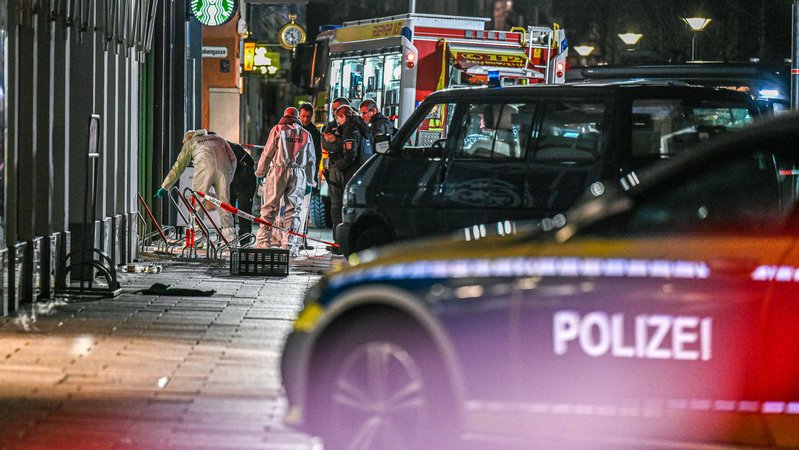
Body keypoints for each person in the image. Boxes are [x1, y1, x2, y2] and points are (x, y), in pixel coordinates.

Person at [156, 129, 236, 243]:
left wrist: (165, 186)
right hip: (224, 170)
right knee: (224, 203)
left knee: (197, 202)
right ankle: (229, 237)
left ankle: (198, 238)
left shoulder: (191, 142)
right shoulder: (219, 138)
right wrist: (229, 176)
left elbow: (178, 166)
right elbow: (233, 158)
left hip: (204, 169)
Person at [254, 107, 316, 256]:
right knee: (293, 211)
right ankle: (289, 245)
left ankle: (263, 243)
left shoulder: (278, 129)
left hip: (278, 172)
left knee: (269, 208)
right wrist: (309, 181)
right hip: (299, 174)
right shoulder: (306, 134)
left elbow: (268, 152)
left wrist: (260, 172)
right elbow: (311, 160)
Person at [324, 104, 371, 253]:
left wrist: (338, 166)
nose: (337, 121)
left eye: (338, 118)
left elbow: (350, 155)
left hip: (348, 173)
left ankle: (340, 244)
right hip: (357, 173)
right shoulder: (359, 126)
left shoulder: (350, 129)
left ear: (344, 116)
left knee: (339, 208)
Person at [298, 102, 322, 250]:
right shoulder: (294, 129)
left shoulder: (313, 132)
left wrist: (312, 176)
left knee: (304, 210)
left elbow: (317, 155)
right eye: (302, 116)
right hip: (294, 173)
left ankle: (303, 239)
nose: (305, 119)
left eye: (307, 117)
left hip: (306, 173)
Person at [227, 139, 257, 237]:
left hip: (245, 181)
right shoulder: (215, 148)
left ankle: (245, 239)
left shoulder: (234, 148)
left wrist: (238, 179)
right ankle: (228, 237)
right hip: (231, 180)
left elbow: (250, 163)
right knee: (227, 211)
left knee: (244, 211)